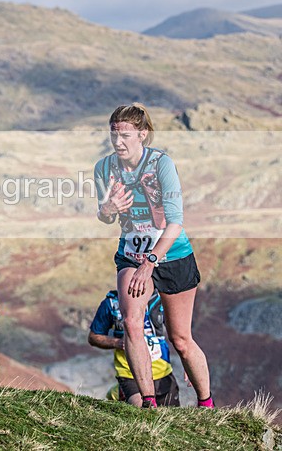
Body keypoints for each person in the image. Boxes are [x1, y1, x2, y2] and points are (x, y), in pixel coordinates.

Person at [94, 103, 213, 408]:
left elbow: (175, 223)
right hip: (131, 256)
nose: (118, 142)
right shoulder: (104, 168)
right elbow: (106, 216)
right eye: (114, 135)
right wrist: (107, 210)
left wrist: (151, 262)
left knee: (181, 340)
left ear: (142, 135)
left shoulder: (162, 165)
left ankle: (206, 404)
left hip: (172, 255)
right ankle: (149, 404)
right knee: (132, 323)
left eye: (126, 135)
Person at [89, 289, 180, 406]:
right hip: (129, 374)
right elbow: (93, 337)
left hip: (163, 372)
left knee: (171, 419)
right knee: (143, 414)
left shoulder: (160, 299)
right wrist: (117, 342)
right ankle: (119, 393)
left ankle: (116, 394)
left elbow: (179, 335)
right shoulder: (112, 303)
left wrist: (187, 363)